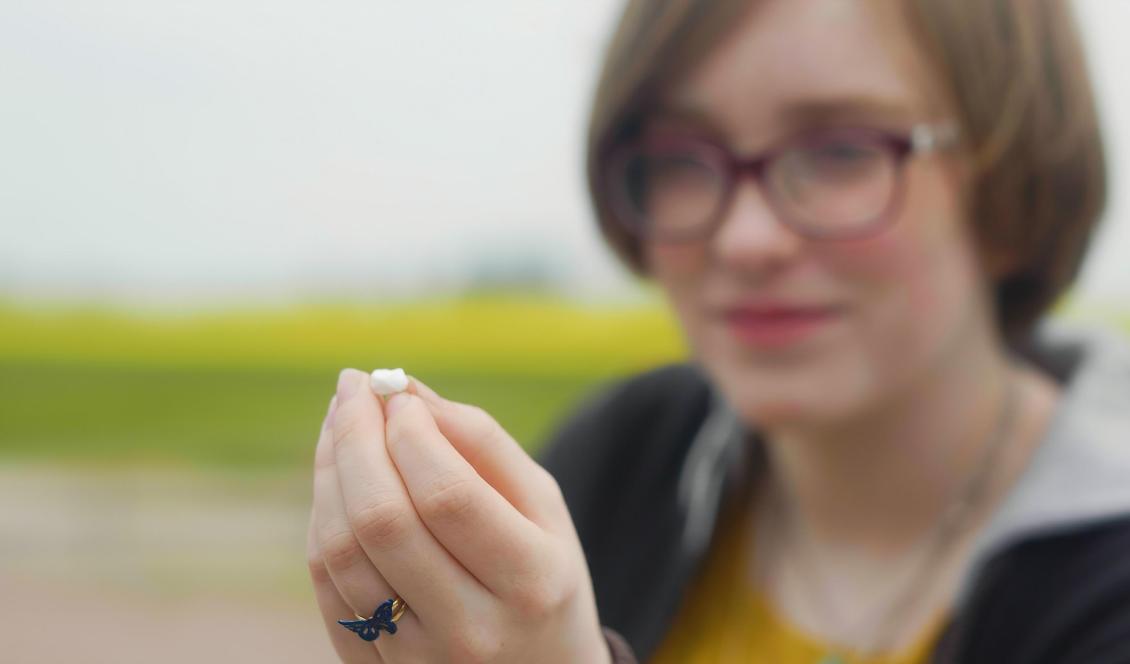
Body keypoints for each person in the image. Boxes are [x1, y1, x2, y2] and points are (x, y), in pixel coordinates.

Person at [305, 1, 1130, 663]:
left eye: (841, 150)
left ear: (1008, 182)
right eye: (680, 156)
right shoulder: (623, 456)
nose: (745, 239)